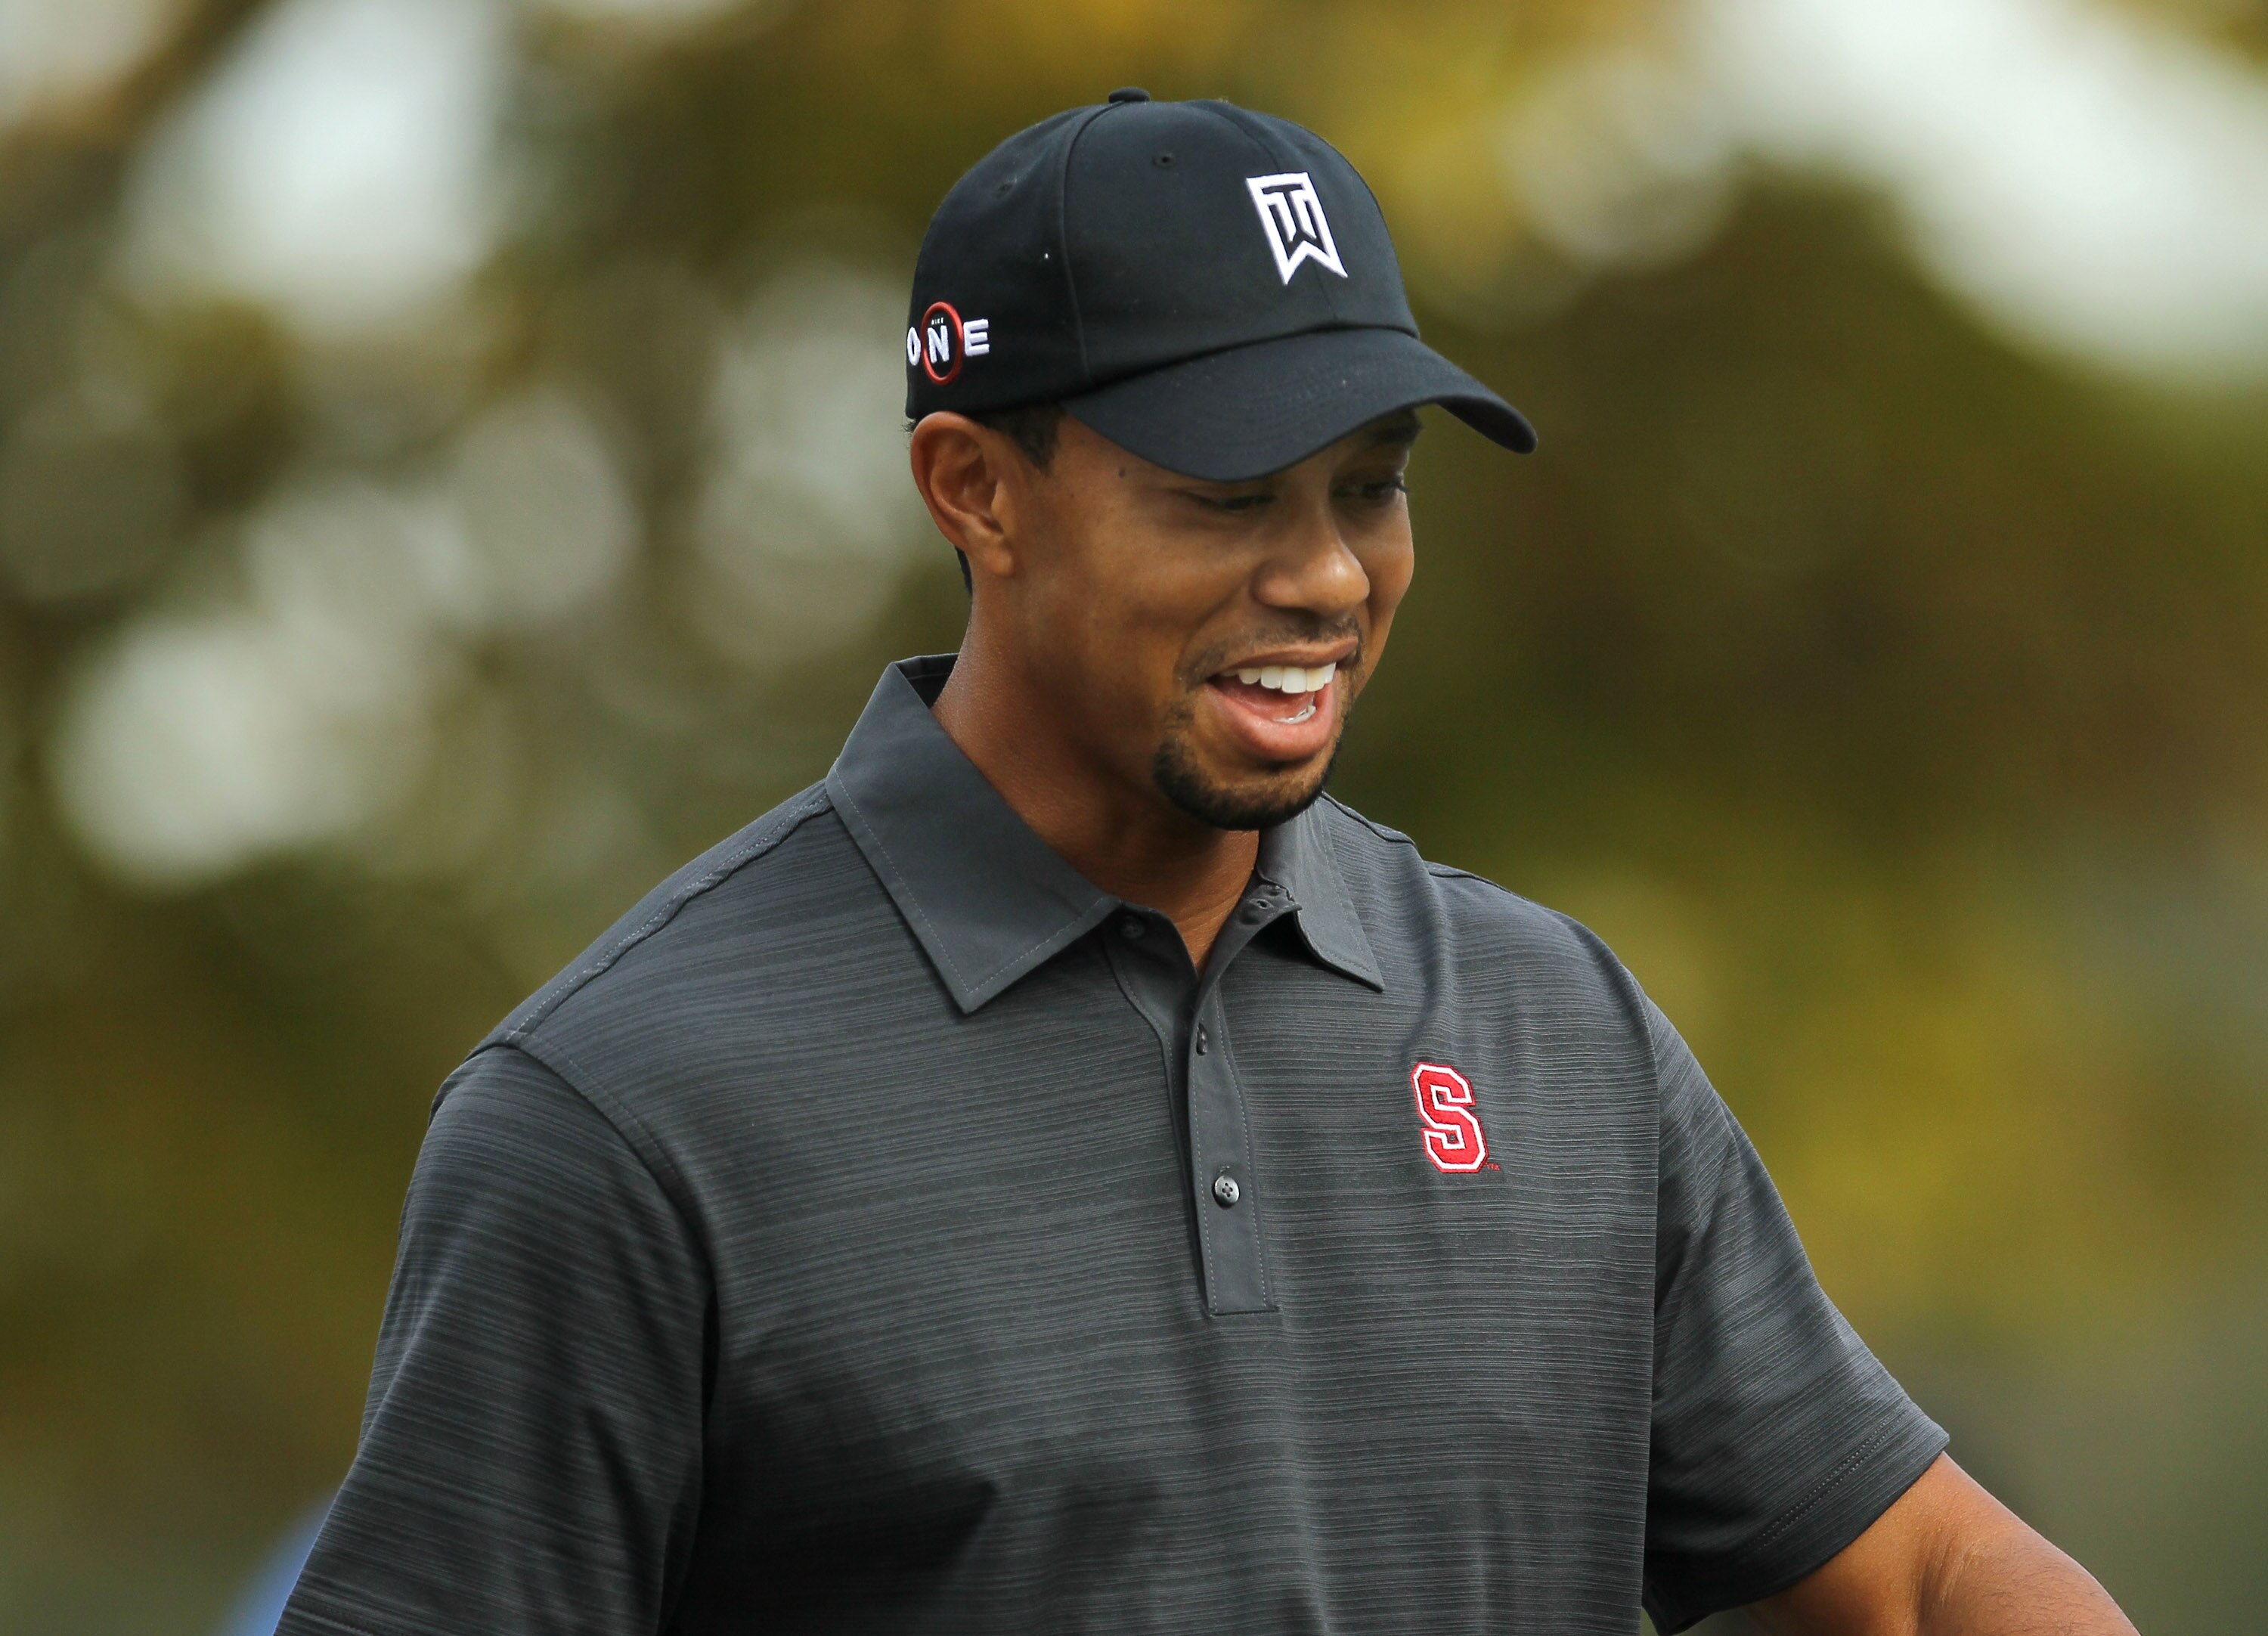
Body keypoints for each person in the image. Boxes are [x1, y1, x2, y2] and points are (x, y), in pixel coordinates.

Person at [277, 91, 2135, 1635]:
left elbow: (1927, 1571)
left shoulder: (1556, 1030)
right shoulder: (621, 1112)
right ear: (974, 488)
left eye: (1372, 479)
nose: (1329, 573)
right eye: (1228, 492)